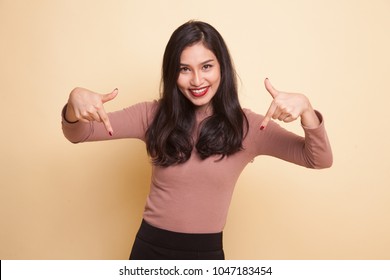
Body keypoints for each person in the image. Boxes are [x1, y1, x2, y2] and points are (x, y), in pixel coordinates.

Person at [61, 20, 333, 260]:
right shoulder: (152, 115)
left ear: (222, 68)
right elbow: (80, 133)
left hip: (206, 255)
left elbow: (317, 159)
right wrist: (74, 102)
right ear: (172, 74)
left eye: (206, 66)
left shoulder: (249, 126)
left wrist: (307, 110)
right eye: (184, 69)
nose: (197, 80)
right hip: (149, 252)